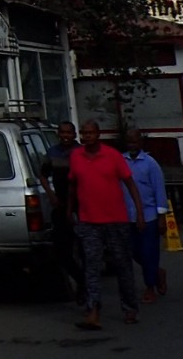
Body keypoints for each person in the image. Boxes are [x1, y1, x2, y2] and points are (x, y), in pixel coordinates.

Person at [69, 120, 144, 328]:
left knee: (122, 266)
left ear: (98, 134)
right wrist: (69, 211)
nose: (87, 137)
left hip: (116, 221)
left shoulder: (113, 156)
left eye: (90, 133)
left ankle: (130, 308)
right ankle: (93, 310)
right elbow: (73, 186)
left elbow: (130, 184)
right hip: (88, 221)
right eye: (83, 133)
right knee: (91, 267)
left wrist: (139, 213)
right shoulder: (76, 156)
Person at [123, 128, 170, 302]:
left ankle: (150, 287)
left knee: (149, 252)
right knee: (135, 252)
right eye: (129, 142)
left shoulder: (150, 163)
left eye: (135, 142)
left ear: (141, 143)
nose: (132, 145)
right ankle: (157, 272)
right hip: (128, 216)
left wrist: (161, 217)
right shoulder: (121, 161)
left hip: (149, 216)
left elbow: (159, 190)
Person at [43, 122, 84, 304]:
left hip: (82, 204)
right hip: (60, 204)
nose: (65, 135)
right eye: (62, 132)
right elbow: (42, 174)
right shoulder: (52, 152)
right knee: (62, 250)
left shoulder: (81, 152)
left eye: (69, 132)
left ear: (74, 134)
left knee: (85, 248)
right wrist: (51, 194)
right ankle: (80, 281)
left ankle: (87, 288)